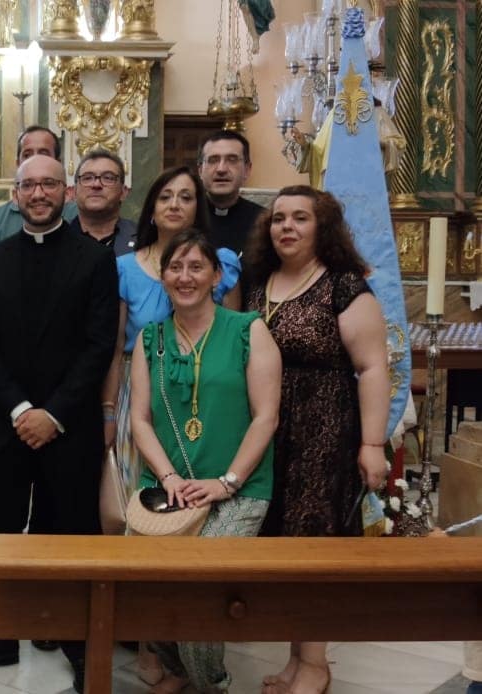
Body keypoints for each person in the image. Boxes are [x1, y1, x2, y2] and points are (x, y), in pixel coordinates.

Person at [0, 155, 117, 692]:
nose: (39, 193)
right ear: (15, 195)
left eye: (49, 183)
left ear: (66, 192)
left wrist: (54, 413)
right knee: (0, 535)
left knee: (67, 533)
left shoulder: (94, 259)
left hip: (70, 425)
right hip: (8, 422)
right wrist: (22, 410)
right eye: (29, 185)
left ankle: (70, 637)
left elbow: (98, 345)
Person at [245, 186, 390, 694]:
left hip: (324, 431)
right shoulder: (260, 282)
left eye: (300, 218)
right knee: (284, 547)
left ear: (321, 227)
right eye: (279, 218)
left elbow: (373, 368)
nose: (286, 226)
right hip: (270, 431)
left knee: (313, 547)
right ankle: (295, 659)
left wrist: (371, 445)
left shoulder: (344, 286)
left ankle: (315, 666)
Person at [129, 230, 281, 693]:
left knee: (199, 591)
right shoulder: (150, 339)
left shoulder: (248, 329)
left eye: (197, 267)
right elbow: (138, 419)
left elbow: (266, 417)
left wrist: (227, 482)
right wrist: (170, 476)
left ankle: (210, 682)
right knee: (147, 589)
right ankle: (177, 671)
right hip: (167, 489)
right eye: (175, 267)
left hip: (237, 489)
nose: (185, 276)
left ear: (217, 275)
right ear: (163, 275)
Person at [104, 167, 241, 529]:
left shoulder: (222, 262)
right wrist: (108, 410)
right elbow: (116, 347)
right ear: (151, 208)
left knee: (199, 493)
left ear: (199, 208)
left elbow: (235, 338)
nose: (175, 204)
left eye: (185, 196)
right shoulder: (124, 268)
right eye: (165, 196)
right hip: (141, 390)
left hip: (205, 387)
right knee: (144, 495)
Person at [0, 126, 77, 249]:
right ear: (18, 164)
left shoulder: (77, 214)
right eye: (27, 155)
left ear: (58, 162)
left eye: (43, 154)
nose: (35, 159)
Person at [197, 130, 265, 255]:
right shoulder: (186, 217)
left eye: (232, 160)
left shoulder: (264, 221)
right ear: (200, 170)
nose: (221, 169)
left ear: (247, 170)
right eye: (213, 160)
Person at [66, 149, 136, 255]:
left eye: (108, 178)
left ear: (123, 192)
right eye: (87, 178)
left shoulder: (144, 239)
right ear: (74, 191)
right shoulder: (56, 238)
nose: (96, 184)